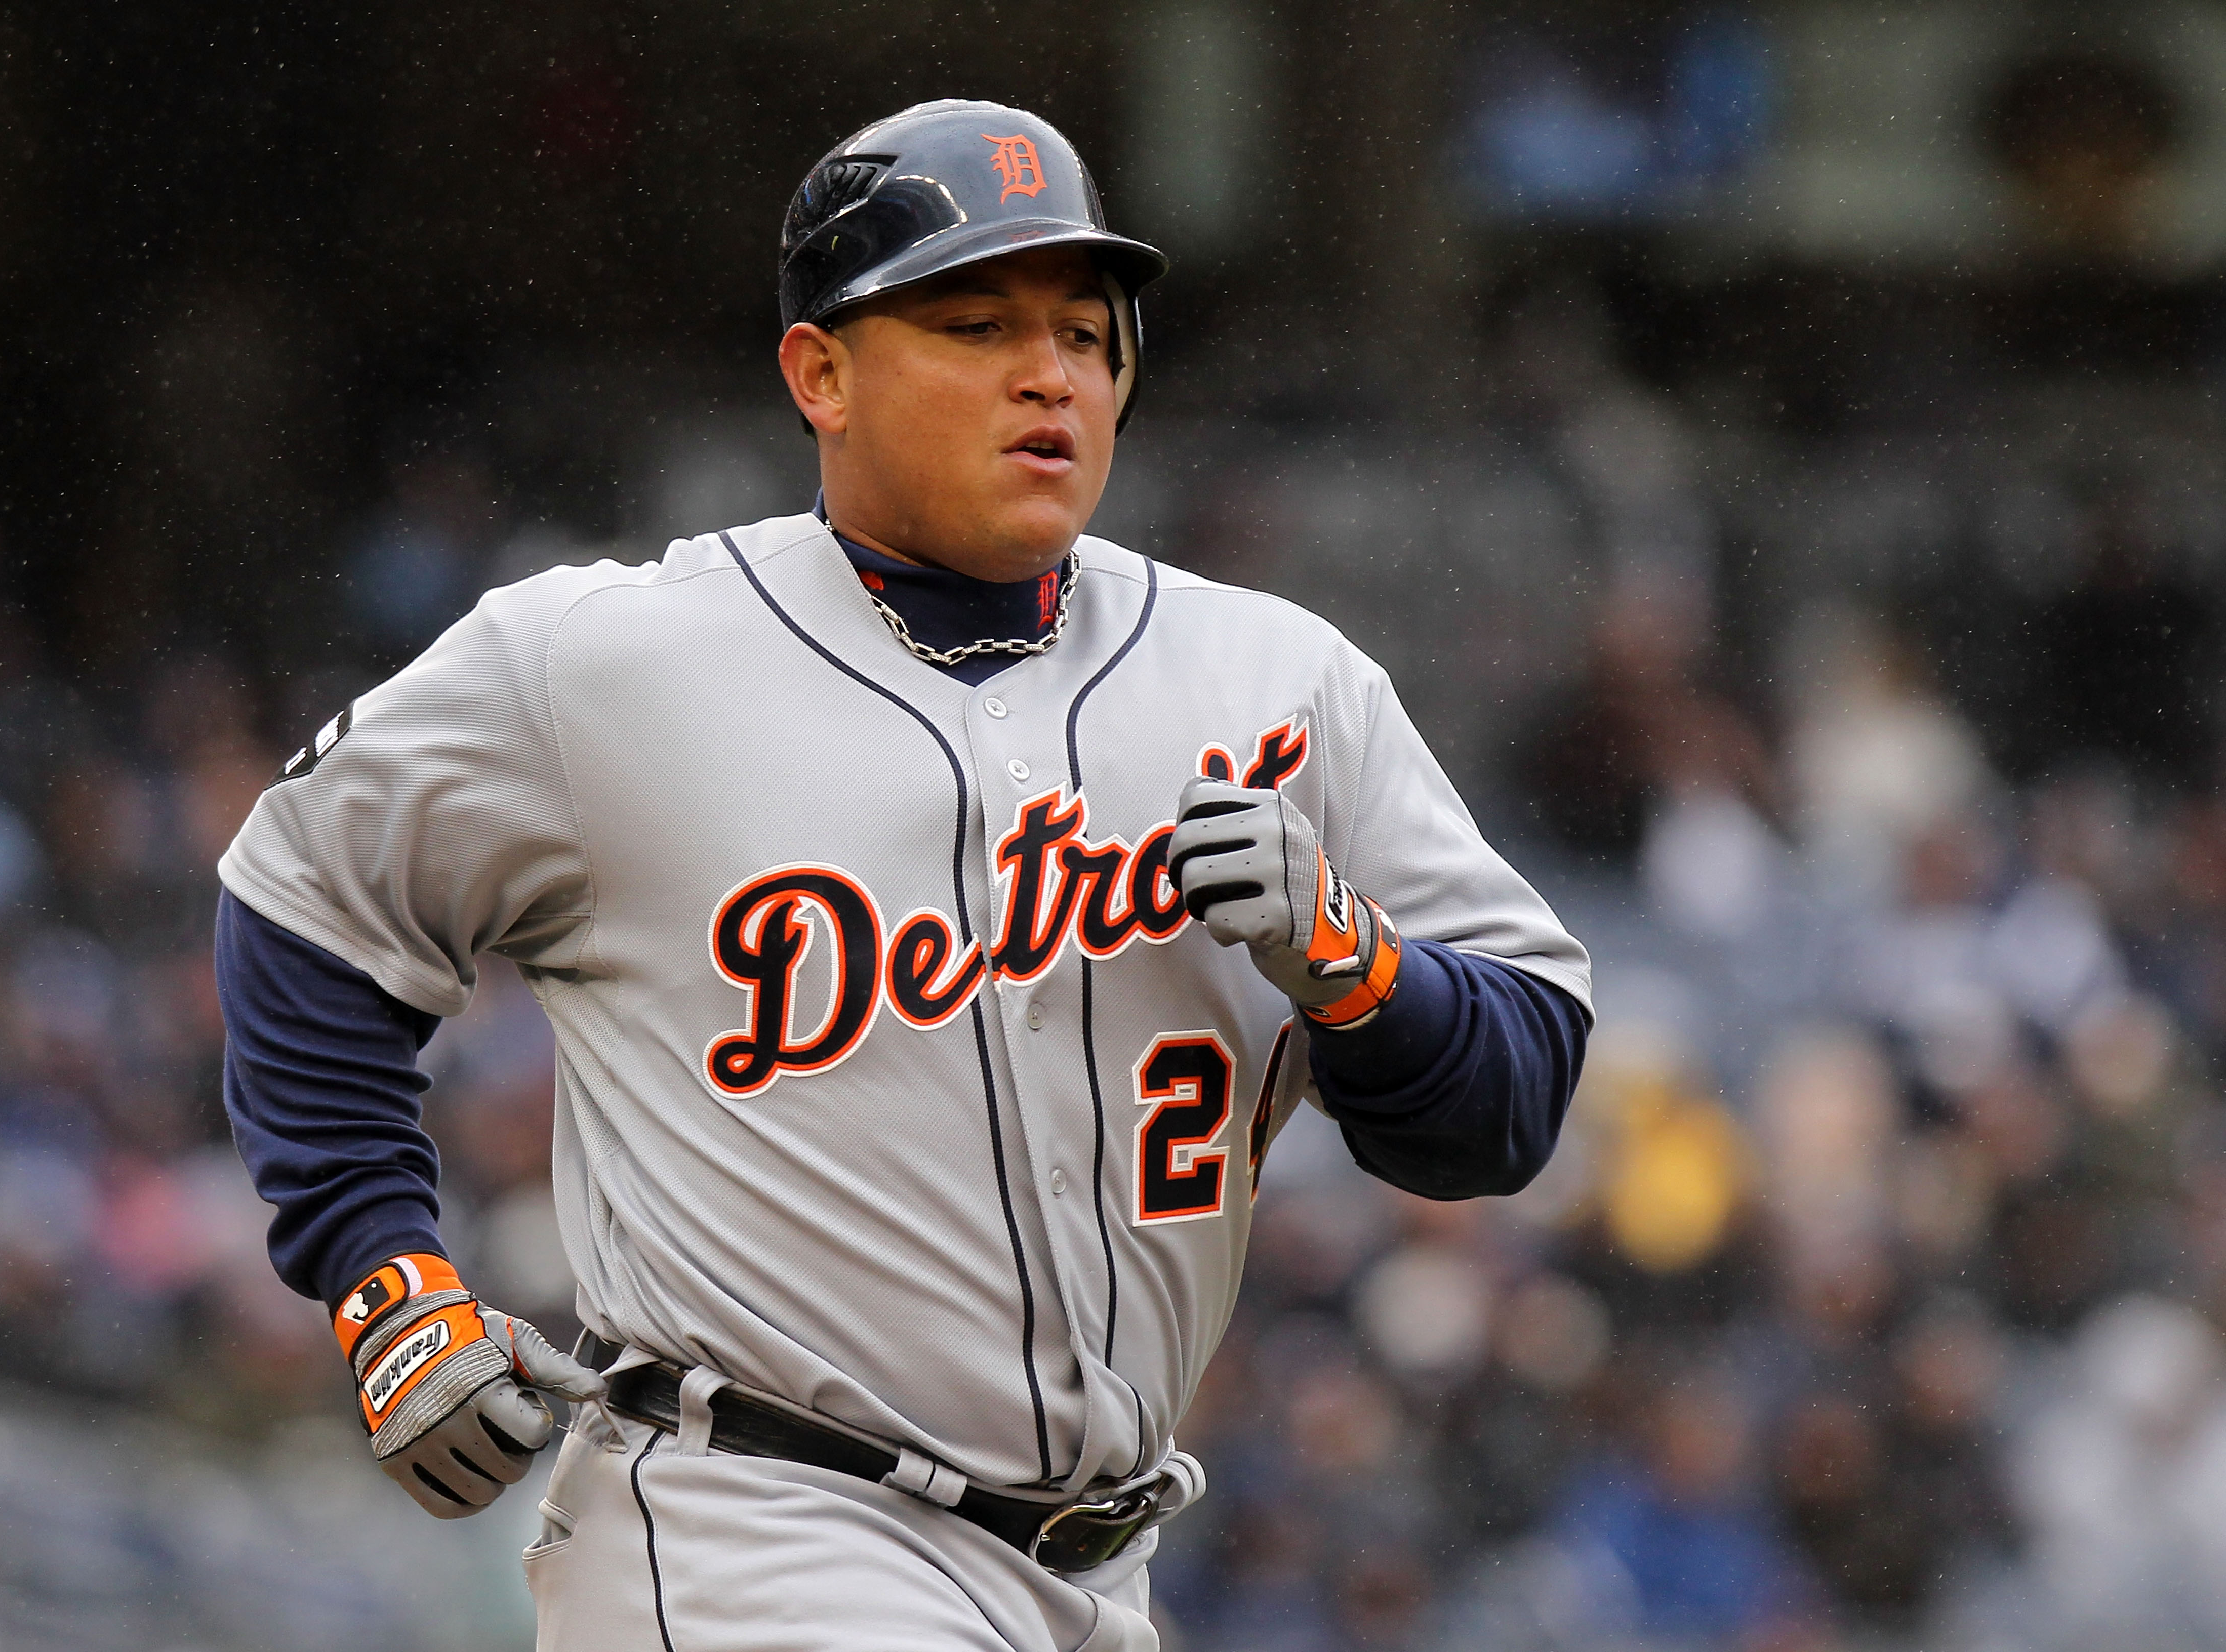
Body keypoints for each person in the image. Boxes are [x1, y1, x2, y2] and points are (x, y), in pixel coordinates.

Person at [214, 99, 1590, 1652]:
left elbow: (1513, 1099)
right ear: (822, 375)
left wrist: (1359, 967)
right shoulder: (606, 665)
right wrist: (383, 1277)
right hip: (755, 1536)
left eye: (1086, 331)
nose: (1047, 372)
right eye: (976, 321)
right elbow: (306, 905)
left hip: (1102, 1572)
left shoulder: (1281, 683)